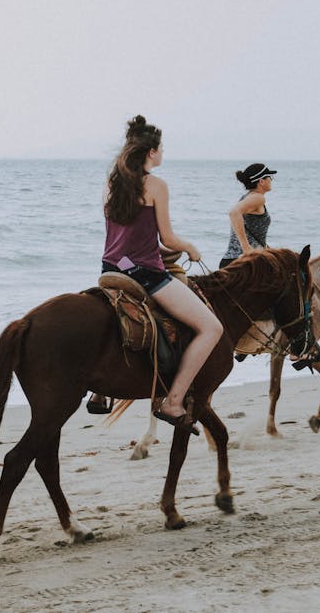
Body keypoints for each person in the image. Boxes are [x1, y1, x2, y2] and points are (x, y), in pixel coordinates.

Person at [100, 116, 223, 431]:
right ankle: (173, 401)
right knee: (211, 328)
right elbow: (167, 238)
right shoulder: (156, 185)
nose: (163, 153)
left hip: (110, 268)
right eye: (161, 148)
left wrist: (159, 250)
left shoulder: (112, 183)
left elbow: (124, 237)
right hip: (145, 275)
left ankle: (101, 393)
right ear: (151, 152)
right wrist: (189, 247)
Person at [219, 163, 276, 268]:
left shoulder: (248, 197)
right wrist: (246, 248)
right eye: (270, 177)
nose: (271, 180)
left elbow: (253, 232)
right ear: (261, 181)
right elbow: (234, 213)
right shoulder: (258, 198)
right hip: (243, 263)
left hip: (233, 260)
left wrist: (268, 250)